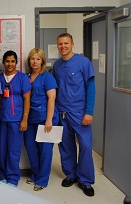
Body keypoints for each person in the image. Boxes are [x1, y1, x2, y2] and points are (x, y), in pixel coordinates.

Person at [53, 33, 96, 197]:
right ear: (57, 46)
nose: (63, 46)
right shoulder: (57, 65)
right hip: (62, 112)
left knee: (85, 146)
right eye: (60, 44)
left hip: (80, 113)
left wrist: (89, 112)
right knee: (65, 146)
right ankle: (70, 174)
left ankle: (86, 181)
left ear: (72, 44)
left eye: (66, 43)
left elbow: (91, 89)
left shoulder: (83, 63)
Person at [23, 48, 59, 191]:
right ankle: (36, 173)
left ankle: (42, 180)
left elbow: (52, 98)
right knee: (31, 148)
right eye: (32, 58)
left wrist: (49, 120)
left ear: (42, 61)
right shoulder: (27, 77)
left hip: (45, 118)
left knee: (45, 150)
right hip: (30, 118)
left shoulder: (47, 77)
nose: (35, 61)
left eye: (38, 59)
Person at [0, 50, 31, 186]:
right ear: (3, 62)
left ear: (16, 62)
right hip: (1, 119)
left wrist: (24, 119)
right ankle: (2, 175)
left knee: (14, 149)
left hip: (16, 119)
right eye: (7, 61)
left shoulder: (22, 78)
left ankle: (13, 178)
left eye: (12, 61)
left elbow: (27, 99)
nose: (10, 64)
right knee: (2, 149)